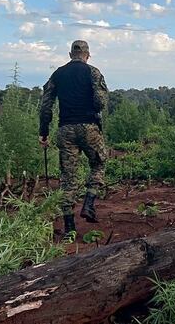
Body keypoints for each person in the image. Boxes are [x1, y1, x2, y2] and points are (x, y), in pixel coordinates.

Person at [39, 40, 108, 238]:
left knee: (68, 177)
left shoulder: (58, 74)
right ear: (88, 55)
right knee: (98, 164)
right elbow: (100, 103)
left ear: (70, 54)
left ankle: (69, 227)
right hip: (89, 128)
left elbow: (46, 106)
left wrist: (43, 131)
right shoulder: (93, 72)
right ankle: (89, 203)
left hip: (65, 129)